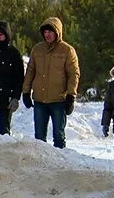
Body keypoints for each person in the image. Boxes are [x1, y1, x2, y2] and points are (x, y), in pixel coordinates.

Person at [22, 17, 79, 149]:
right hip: (39, 100)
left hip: (58, 100)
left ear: (57, 32)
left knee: (59, 136)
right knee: (39, 137)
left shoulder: (67, 50)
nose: (47, 34)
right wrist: (26, 91)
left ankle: (60, 165)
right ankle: (40, 164)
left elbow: (73, 74)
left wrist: (71, 95)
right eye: (45, 32)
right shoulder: (37, 49)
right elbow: (30, 71)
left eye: (50, 31)